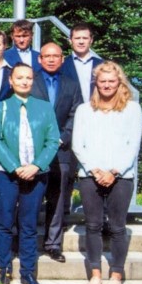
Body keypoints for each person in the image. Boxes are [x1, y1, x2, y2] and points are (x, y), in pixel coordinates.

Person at [72, 62, 142, 284]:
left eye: (112, 81)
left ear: (119, 82)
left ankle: (116, 275)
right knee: (93, 225)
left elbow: (133, 145)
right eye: (103, 81)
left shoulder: (132, 109)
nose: (107, 85)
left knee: (117, 226)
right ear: (96, 83)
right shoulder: (84, 110)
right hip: (90, 175)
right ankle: (95, 274)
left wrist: (114, 171)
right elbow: (78, 144)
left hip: (121, 177)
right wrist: (95, 170)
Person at [0, 64, 61, 284]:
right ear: (11, 81)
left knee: (29, 225)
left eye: (28, 78)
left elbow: (53, 140)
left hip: (36, 174)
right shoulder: (1, 107)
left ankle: (28, 272)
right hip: (6, 174)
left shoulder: (44, 107)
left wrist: (37, 165)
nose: (24, 81)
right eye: (19, 78)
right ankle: (3, 269)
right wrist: (14, 167)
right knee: (4, 222)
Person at [31, 43, 84, 263]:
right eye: (47, 56)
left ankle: (53, 244)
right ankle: (27, 242)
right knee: (31, 197)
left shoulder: (72, 84)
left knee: (58, 197)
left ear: (62, 59)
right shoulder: (30, 81)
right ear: (40, 59)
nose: (51, 59)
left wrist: (61, 138)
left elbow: (76, 113)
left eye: (56, 56)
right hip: (33, 150)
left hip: (61, 150)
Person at [66, 22, 102, 95]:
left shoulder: (102, 65)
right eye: (77, 38)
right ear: (70, 40)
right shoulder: (62, 65)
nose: (81, 42)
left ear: (91, 40)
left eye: (85, 38)